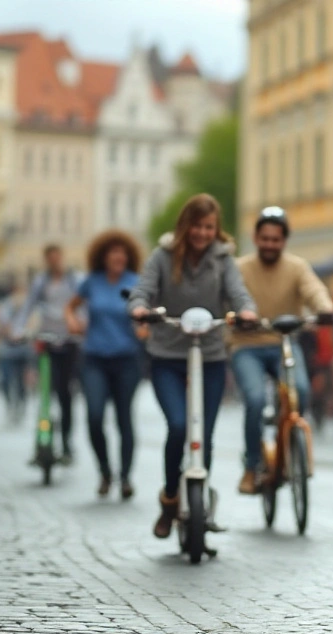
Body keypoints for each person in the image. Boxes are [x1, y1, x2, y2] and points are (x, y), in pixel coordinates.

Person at [126, 194, 257, 539]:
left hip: (210, 355)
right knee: (180, 426)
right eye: (197, 225)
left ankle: (200, 500)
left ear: (216, 230)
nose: (202, 233)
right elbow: (143, 290)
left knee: (205, 435)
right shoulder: (163, 256)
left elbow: (238, 292)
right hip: (167, 355)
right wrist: (140, 308)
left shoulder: (223, 258)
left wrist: (246, 312)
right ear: (186, 225)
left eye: (209, 227)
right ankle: (170, 498)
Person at [231, 206, 333, 494]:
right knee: (253, 400)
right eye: (264, 238)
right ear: (255, 238)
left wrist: (324, 309)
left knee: (299, 390)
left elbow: (314, 290)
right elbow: (228, 296)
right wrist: (236, 315)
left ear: (284, 240)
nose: (269, 244)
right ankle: (252, 467)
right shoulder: (239, 268)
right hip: (246, 345)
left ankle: (286, 442)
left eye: (275, 239)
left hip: (283, 343)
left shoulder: (297, 267)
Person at [66, 230, 143, 500]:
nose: (118, 257)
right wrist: (73, 321)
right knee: (95, 416)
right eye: (113, 252)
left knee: (124, 418)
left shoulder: (136, 283)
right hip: (94, 358)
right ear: (103, 256)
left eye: (122, 252)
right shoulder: (92, 282)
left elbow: (144, 315)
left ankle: (125, 478)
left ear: (128, 257)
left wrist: (143, 327)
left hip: (126, 359)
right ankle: (104, 471)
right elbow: (71, 306)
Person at [14, 244, 80, 464]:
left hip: (69, 341)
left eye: (56, 257)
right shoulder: (41, 282)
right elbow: (28, 307)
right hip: (46, 340)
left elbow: (82, 306)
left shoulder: (73, 281)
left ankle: (67, 443)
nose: (54, 262)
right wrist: (19, 329)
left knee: (65, 393)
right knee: (44, 392)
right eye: (49, 258)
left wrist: (81, 326)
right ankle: (41, 440)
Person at [0, 281, 32, 426]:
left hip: (23, 349)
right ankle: (10, 405)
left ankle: (21, 406)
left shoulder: (29, 308)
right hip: (7, 350)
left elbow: (32, 325)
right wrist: (7, 332)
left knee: (21, 382)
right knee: (6, 381)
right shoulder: (4, 307)